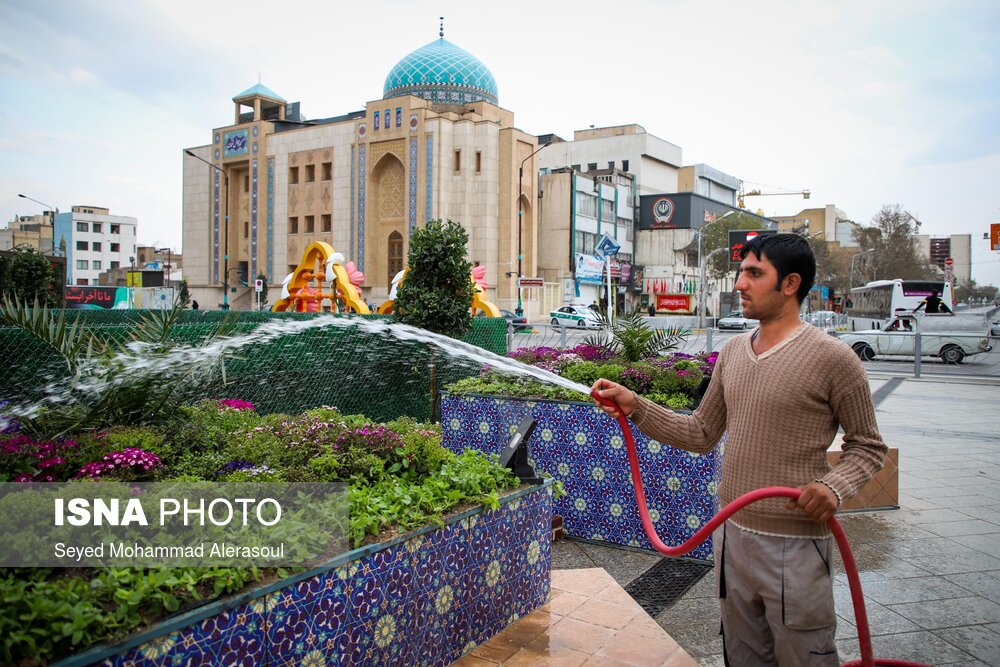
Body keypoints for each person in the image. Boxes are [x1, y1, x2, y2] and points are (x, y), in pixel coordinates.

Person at [592, 234, 886, 666]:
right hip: (732, 537)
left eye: (754, 273)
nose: (740, 284)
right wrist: (636, 406)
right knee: (742, 654)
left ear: (790, 284)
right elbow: (700, 432)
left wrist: (834, 486)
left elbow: (868, 446)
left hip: (795, 544)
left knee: (805, 655)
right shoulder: (731, 354)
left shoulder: (833, 359)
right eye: (741, 271)